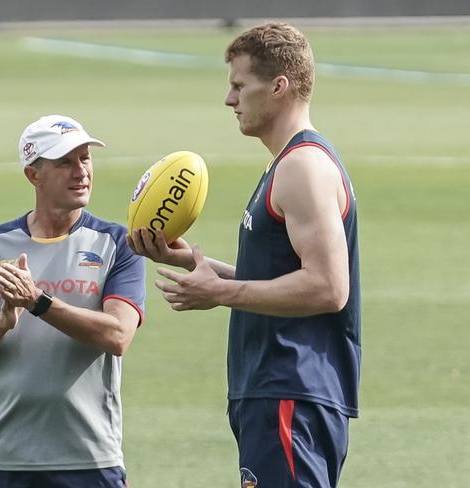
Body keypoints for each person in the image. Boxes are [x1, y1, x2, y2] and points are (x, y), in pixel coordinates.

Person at [128, 23, 361, 488]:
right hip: (274, 390)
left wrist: (222, 293)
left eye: (239, 85)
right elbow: (279, 277)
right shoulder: (285, 164)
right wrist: (194, 266)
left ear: (279, 87)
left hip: (291, 390)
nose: (229, 100)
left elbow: (328, 287)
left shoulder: (303, 168)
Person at [0, 114, 145, 488]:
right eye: (64, 162)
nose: (81, 171)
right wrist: (1, 322)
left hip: (89, 459)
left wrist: (38, 302)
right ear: (33, 175)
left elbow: (118, 335)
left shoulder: (117, 245)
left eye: (85, 158)